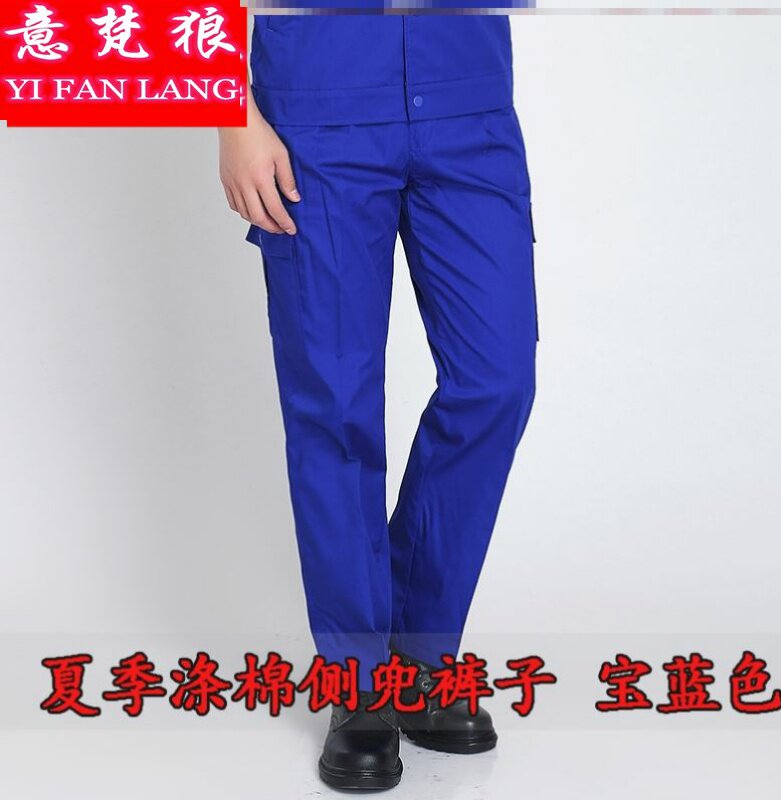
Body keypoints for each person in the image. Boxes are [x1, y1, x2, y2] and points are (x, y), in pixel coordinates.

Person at [218, 13, 538, 791]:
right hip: (315, 110)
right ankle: (358, 681)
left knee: (496, 379)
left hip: (468, 101)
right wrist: (229, 114)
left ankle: (417, 653)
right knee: (334, 408)